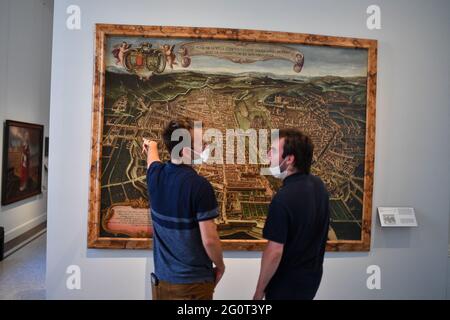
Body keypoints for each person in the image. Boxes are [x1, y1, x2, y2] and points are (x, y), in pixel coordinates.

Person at [142, 118, 225, 300]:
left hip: (161, 284)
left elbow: (152, 157)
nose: (205, 147)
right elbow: (210, 240)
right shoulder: (200, 187)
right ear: (186, 151)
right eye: (201, 143)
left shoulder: (155, 174)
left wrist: (151, 144)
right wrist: (220, 265)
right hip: (192, 288)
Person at [253, 129, 330, 300]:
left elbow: (274, 252)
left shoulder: (283, 199)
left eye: (273, 151)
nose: (267, 155)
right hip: (311, 280)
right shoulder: (319, 186)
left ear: (289, 160)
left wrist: (259, 291)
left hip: (285, 284)